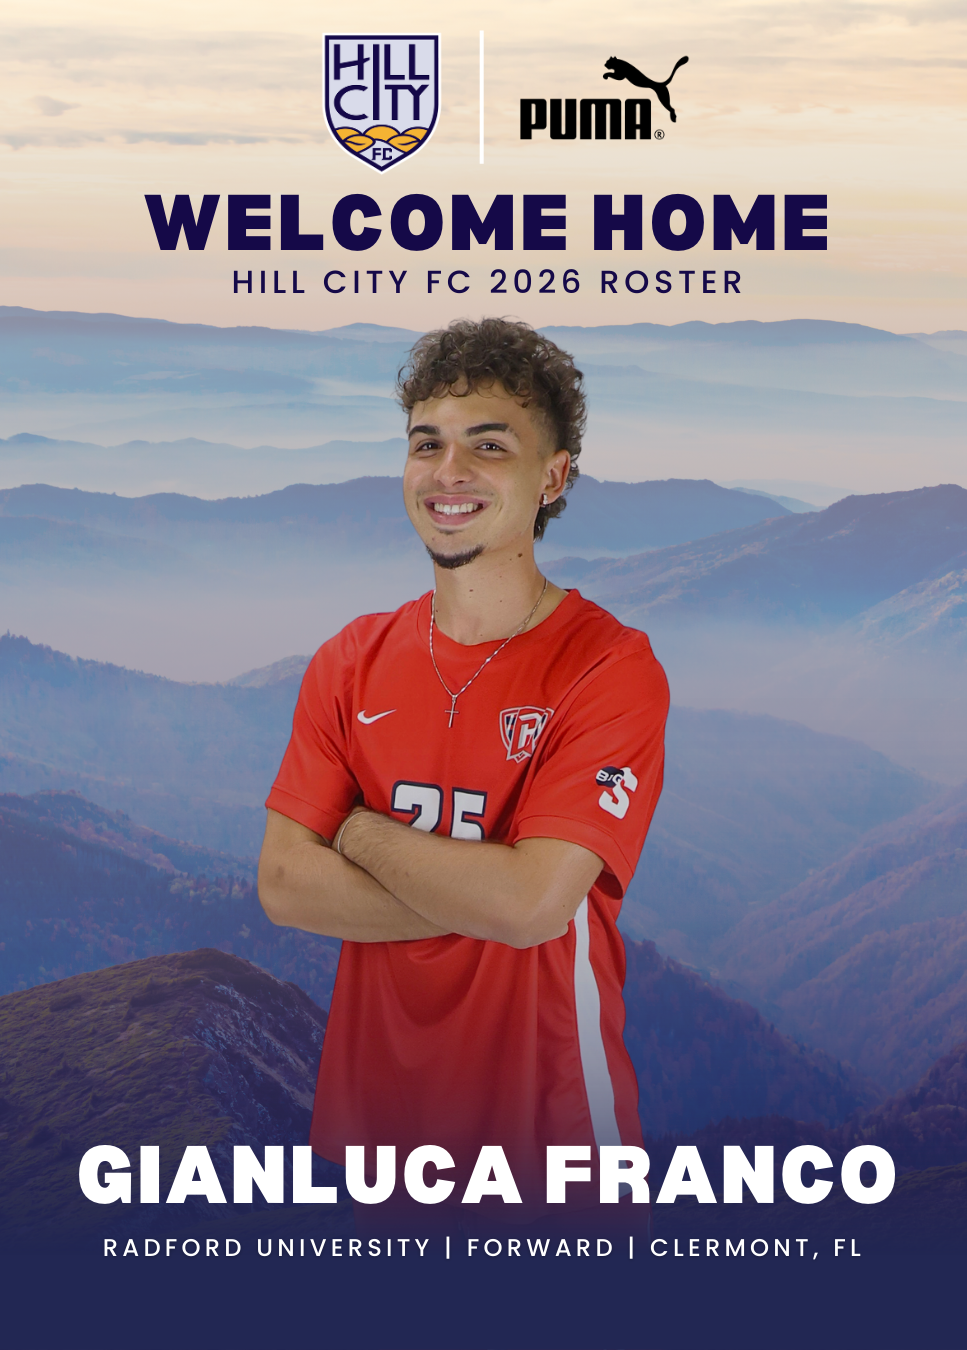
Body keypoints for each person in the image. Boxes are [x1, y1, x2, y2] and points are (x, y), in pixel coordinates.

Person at [258, 317, 669, 1225]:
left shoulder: (609, 667)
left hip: (550, 1138)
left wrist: (360, 833)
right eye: (427, 444)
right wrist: (482, 890)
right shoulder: (350, 660)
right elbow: (285, 884)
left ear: (552, 477)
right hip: (381, 1138)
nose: (449, 473)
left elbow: (532, 906)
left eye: (488, 446)